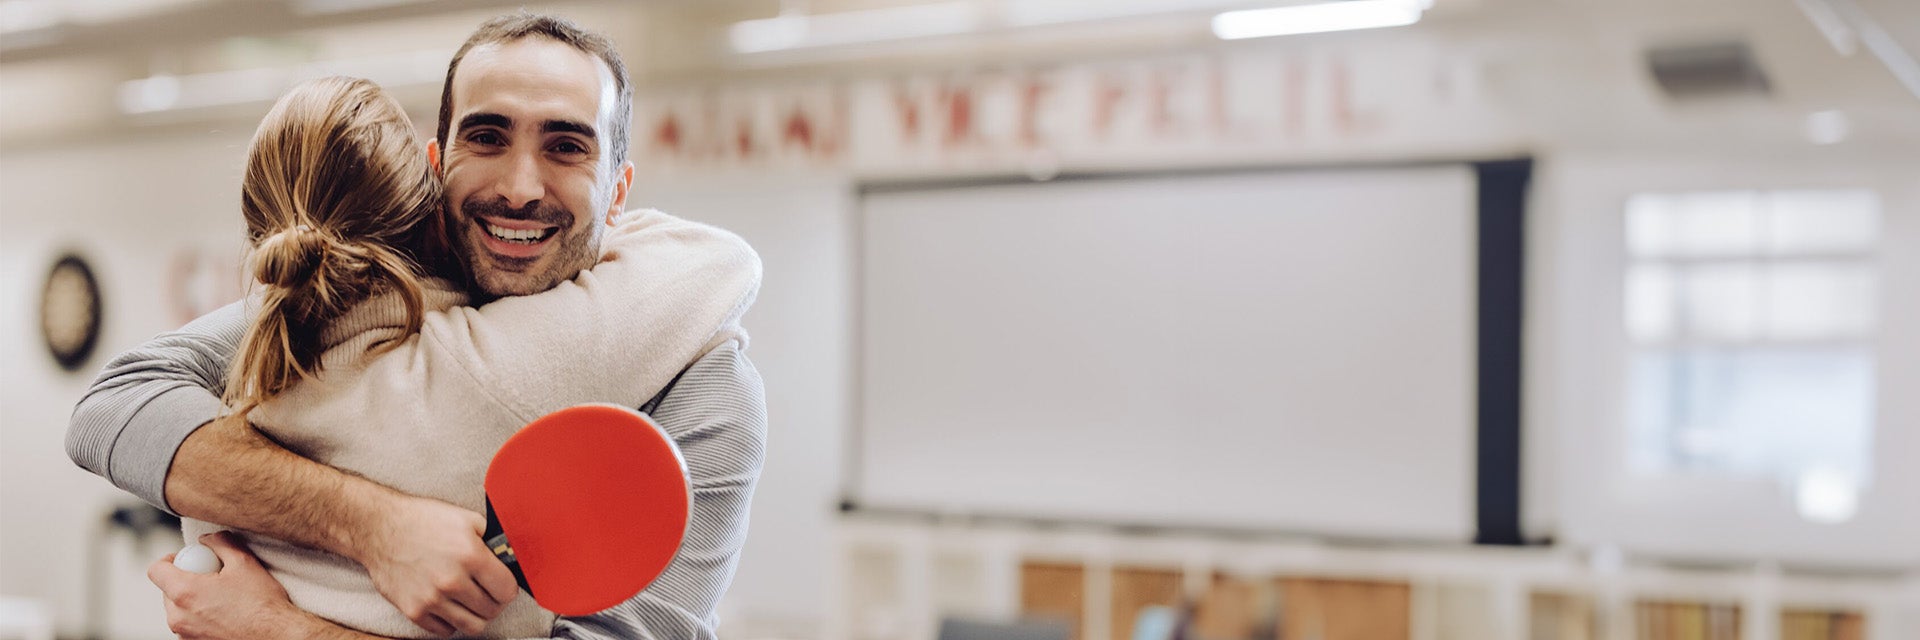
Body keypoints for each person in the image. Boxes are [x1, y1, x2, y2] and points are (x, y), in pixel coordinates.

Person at [65, 13, 768, 640]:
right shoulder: (351, 300)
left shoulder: (704, 382)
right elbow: (112, 409)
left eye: (566, 146)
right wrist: (376, 526)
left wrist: (279, 629)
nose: (519, 188)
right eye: (487, 137)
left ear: (618, 192)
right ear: (437, 166)